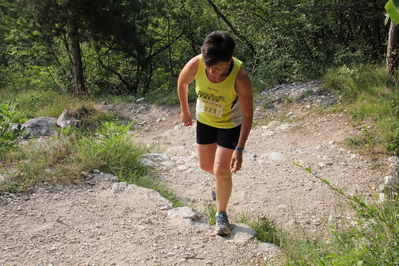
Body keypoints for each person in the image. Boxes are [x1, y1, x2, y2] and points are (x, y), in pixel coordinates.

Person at [177, 31, 253, 236]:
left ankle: (221, 214)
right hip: (206, 119)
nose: (212, 71)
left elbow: (247, 115)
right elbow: (183, 82)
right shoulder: (197, 63)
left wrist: (240, 148)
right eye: (209, 67)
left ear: (229, 60)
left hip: (231, 122)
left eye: (218, 67)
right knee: (205, 165)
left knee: (221, 169)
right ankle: (220, 183)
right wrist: (185, 110)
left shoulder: (240, 77)